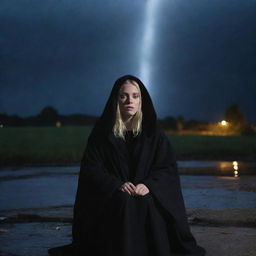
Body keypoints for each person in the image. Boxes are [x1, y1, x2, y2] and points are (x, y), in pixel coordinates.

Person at [48, 74, 206, 256]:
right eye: (124, 96)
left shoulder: (154, 134)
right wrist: (116, 185)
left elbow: (166, 169)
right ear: (116, 99)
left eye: (135, 96)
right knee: (124, 202)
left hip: (146, 192)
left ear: (141, 100)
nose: (129, 100)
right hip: (114, 195)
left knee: (145, 202)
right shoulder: (102, 134)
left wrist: (149, 185)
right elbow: (92, 169)